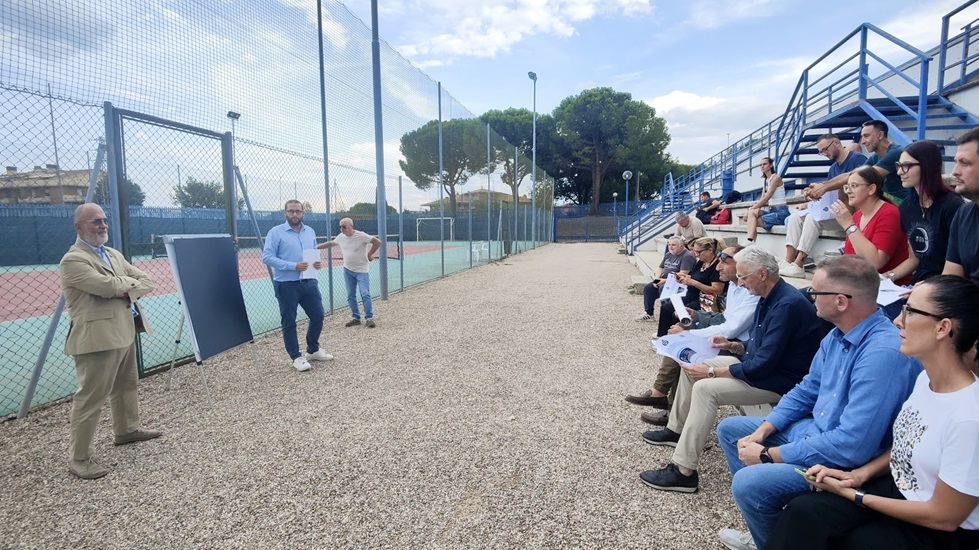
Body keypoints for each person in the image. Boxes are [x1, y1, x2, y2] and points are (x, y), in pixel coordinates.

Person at [714, 255, 921, 550]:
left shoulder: (881, 352)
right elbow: (806, 390)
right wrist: (764, 430)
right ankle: (777, 537)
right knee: (733, 429)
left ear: (840, 301)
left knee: (750, 484)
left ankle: (772, 541)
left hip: (844, 461)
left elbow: (853, 445)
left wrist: (768, 455)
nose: (808, 297)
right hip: (817, 432)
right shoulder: (838, 334)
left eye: (815, 292)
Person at [765, 275, 979, 550]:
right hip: (899, 490)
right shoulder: (926, 380)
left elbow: (944, 517)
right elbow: (910, 443)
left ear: (943, 328)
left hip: (941, 529)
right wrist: (858, 476)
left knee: (852, 541)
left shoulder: (969, 418)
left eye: (909, 311)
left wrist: (856, 496)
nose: (897, 321)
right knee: (803, 513)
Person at [638, 247, 824, 494]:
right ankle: (677, 430)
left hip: (779, 381)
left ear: (762, 274)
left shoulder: (786, 304)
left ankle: (683, 470)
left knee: (705, 387)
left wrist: (713, 373)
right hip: (763, 370)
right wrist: (733, 346)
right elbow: (758, 346)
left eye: (743, 277)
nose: (740, 283)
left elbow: (763, 365)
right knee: (693, 367)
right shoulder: (771, 296)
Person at [59, 203, 161, 479]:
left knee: (127, 385)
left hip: (125, 331)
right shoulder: (73, 260)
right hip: (98, 338)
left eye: (104, 220)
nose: (102, 225)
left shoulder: (113, 254)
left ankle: (126, 430)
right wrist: (128, 287)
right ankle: (79, 458)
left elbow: (147, 280)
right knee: (91, 397)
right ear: (79, 227)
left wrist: (124, 288)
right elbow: (105, 287)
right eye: (95, 222)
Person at [626, 245, 759, 424]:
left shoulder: (752, 293)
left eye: (724, 262)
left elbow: (730, 330)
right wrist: (697, 315)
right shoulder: (736, 287)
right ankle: (664, 399)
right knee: (679, 333)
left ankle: (664, 399)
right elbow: (724, 318)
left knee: (684, 343)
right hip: (726, 337)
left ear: (744, 265)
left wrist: (692, 333)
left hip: (737, 346)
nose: (718, 266)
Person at [262, 200, 334, 372]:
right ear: (285, 213)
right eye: (291, 211)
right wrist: (292, 266)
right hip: (286, 285)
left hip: (309, 282)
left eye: (298, 211)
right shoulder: (276, 232)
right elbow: (267, 257)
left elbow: (312, 252)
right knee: (289, 322)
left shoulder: (310, 231)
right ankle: (296, 357)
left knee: (318, 315)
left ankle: (313, 350)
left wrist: (316, 263)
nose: (295, 214)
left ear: (303, 213)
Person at [781, 133, 866, 278]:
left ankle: (798, 264)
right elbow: (827, 193)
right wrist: (810, 199)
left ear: (836, 142)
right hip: (835, 212)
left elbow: (857, 185)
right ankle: (788, 261)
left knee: (812, 219)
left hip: (851, 216)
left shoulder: (858, 159)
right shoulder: (833, 168)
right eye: (821, 152)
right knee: (795, 218)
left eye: (825, 149)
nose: (824, 154)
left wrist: (825, 188)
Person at [830, 166, 910, 285]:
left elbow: (875, 262)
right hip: (857, 283)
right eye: (847, 187)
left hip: (883, 288)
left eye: (854, 186)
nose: (848, 191)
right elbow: (850, 257)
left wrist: (848, 225)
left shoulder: (889, 214)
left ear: (871, 189)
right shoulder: (857, 215)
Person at [807, 120, 905, 205]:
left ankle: (852, 224)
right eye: (862, 137)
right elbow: (852, 174)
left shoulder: (896, 152)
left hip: (902, 202)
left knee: (853, 189)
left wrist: (824, 187)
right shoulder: (875, 157)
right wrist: (821, 186)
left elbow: (862, 175)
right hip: (887, 200)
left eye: (866, 136)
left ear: (880, 135)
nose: (862, 141)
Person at [317, 217, 381, 328]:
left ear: (351, 226)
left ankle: (369, 318)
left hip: (362, 270)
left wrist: (369, 254)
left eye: (344, 227)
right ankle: (356, 318)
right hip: (348, 270)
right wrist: (316, 247)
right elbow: (331, 243)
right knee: (350, 295)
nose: (341, 229)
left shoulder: (361, 235)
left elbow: (377, 242)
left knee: (365, 293)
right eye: (340, 227)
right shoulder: (341, 237)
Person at [944, 127, 979, 285]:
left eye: (964, 163)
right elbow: (951, 278)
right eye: (955, 162)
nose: (954, 172)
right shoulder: (963, 214)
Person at [635, 236, 696, 322]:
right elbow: (660, 268)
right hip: (664, 279)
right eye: (669, 244)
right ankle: (649, 314)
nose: (670, 247)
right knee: (648, 288)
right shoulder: (668, 254)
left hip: (678, 282)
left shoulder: (687, 257)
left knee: (662, 288)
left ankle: (666, 317)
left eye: (673, 245)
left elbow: (683, 274)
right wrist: (657, 279)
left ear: (681, 246)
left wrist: (664, 281)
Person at [745, 158, 789, 243]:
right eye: (760, 165)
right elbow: (762, 198)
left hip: (781, 212)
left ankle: (750, 241)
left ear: (771, 165)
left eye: (764, 164)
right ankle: (750, 242)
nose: (762, 166)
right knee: (751, 216)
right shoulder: (766, 180)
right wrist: (755, 209)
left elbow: (766, 198)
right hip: (772, 211)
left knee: (751, 221)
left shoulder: (775, 178)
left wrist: (750, 209)